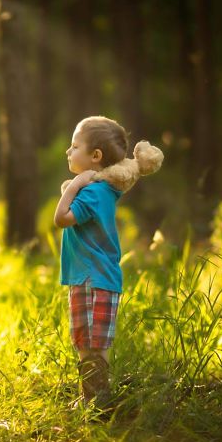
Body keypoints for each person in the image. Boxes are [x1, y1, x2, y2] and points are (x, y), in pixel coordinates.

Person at [53, 115, 128, 408]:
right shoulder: (100, 189)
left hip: (95, 279)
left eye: (74, 146)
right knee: (85, 341)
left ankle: (100, 402)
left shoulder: (94, 192)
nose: (68, 152)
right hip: (85, 277)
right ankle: (91, 399)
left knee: (95, 344)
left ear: (95, 156)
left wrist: (74, 185)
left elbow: (61, 219)